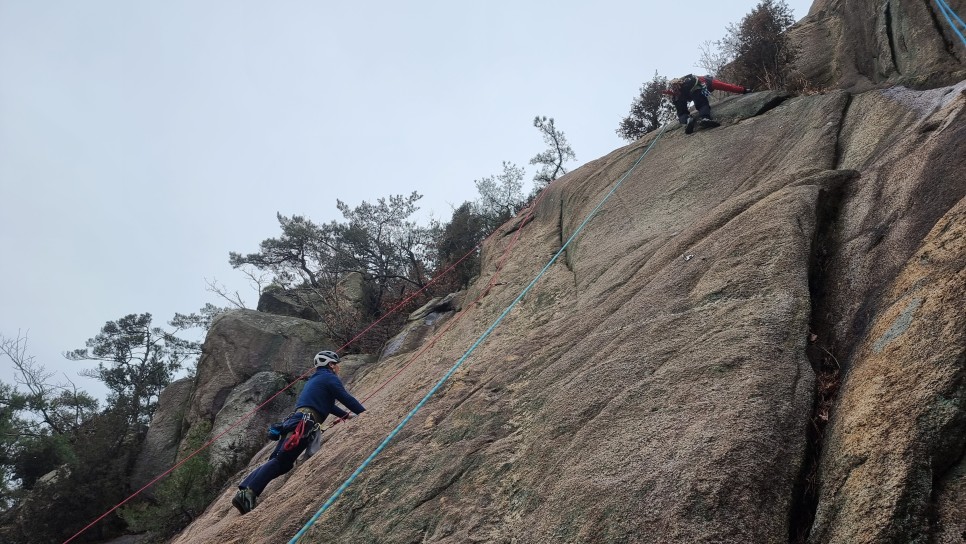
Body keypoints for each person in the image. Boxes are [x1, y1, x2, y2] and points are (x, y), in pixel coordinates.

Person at [232, 350, 366, 515]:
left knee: (280, 462)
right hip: (303, 424)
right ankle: (247, 492)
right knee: (281, 461)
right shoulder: (329, 377)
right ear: (331, 365)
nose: (338, 369)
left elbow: (328, 406)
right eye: (336, 365)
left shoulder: (315, 379)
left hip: (296, 421)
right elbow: (346, 398)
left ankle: (246, 491)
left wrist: (347, 415)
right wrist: (364, 413)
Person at [663, 74, 752, 134]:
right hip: (694, 86)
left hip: (677, 93)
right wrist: (743, 90)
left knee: (682, 112)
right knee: (702, 104)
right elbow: (727, 86)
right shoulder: (709, 81)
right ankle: (705, 118)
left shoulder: (680, 84)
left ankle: (687, 121)